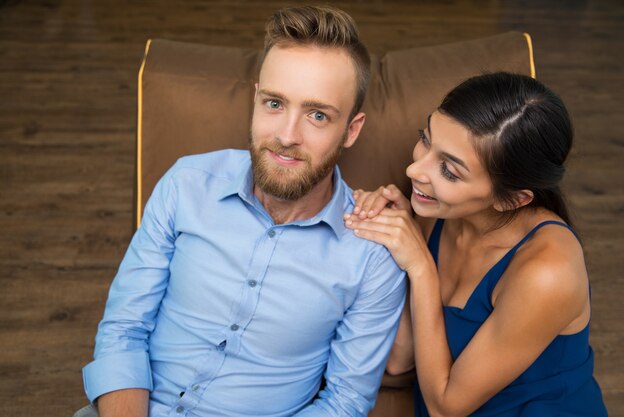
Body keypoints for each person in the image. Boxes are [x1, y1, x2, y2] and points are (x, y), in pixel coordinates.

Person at [77, 6, 406, 417]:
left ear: (352, 130)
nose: (287, 136)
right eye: (274, 103)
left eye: (317, 115)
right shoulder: (187, 183)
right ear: (256, 100)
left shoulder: (372, 252)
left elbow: (344, 402)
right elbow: (124, 328)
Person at [344, 72, 608, 417]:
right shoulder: (436, 208)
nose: (414, 170)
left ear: (512, 199)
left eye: (450, 171)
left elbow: (445, 407)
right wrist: (392, 238)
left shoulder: (547, 272)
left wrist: (420, 266)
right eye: (426, 139)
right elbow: (399, 360)